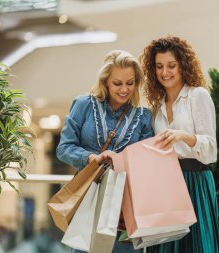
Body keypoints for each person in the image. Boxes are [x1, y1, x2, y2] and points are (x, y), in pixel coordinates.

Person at [56, 50, 154, 253]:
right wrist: (91, 157)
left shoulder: (143, 116)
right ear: (105, 82)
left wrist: (122, 161)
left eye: (130, 82)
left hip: (124, 206)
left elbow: (146, 162)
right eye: (117, 83)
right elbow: (64, 148)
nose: (125, 89)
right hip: (88, 200)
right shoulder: (83, 105)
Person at [141, 36, 219, 253]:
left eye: (171, 66)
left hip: (195, 182)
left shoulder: (198, 96)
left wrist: (184, 136)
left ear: (183, 65)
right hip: (166, 183)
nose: (165, 72)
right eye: (159, 66)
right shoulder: (156, 107)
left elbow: (211, 150)